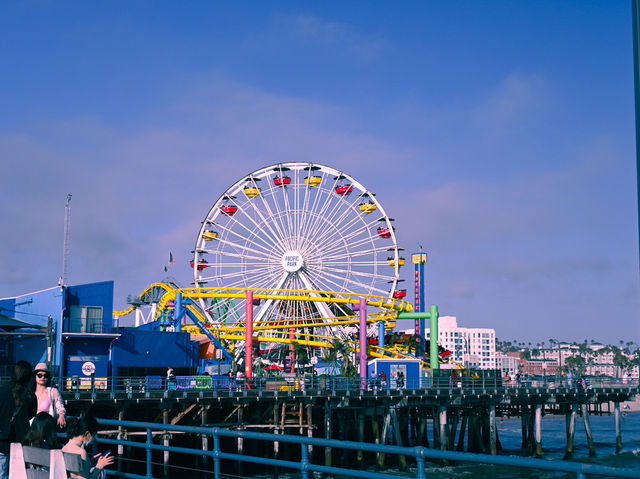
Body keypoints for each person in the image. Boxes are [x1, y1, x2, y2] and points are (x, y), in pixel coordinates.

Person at [0, 360, 37, 479]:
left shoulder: (2, 391)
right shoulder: (31, 396)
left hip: (2, 443)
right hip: (20, 445)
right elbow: (31, 415)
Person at [33, 363, 66, 428]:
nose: (43, 377)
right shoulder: (30, 393)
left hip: (47, 428)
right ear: (35, 376)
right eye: (40, 375)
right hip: (32, 428)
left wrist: (62, 416)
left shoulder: (53, 391)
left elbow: (60, 407)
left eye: (45, 376)